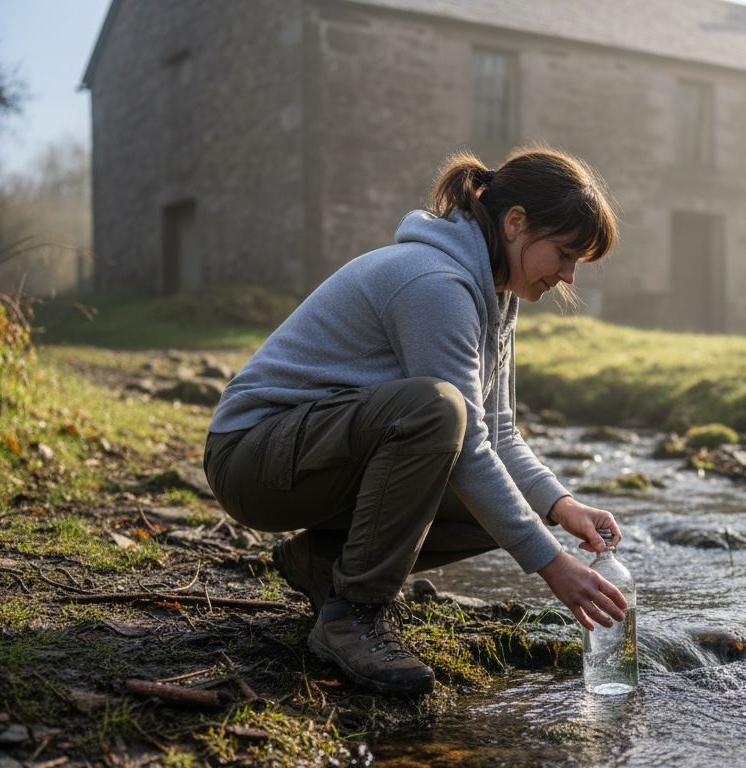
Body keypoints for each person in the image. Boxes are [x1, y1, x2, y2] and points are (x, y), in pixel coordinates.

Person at [203, 147, 629, 696]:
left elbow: (496, 431)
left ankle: (324, 562)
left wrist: (561, 505)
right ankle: (353, 616)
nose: (569, 275)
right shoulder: (435, 282)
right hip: (253, 459)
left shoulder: (495, 294)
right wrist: (552, 568)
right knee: (437, 409)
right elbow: (465, 436)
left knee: (502, 508)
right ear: (516, 222)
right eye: (565, 253)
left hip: (309, 456)